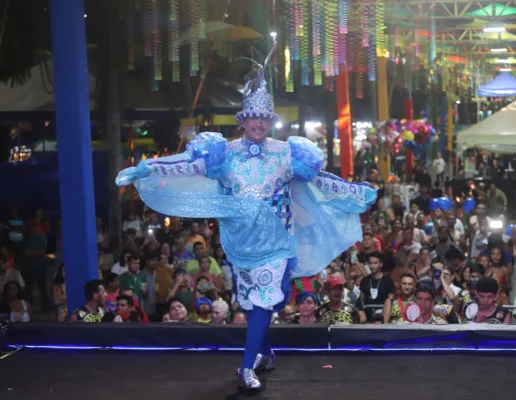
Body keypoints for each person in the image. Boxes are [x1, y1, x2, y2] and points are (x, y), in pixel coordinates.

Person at [115, 41, 375, 390]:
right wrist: (146, 169)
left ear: (270, 121)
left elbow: (321, 181)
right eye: (253, 117)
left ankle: (246, 368)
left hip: (277, 242)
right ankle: (265, 354)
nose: (259, 123)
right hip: (240, 243)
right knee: (254, 306)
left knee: (265, 301)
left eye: (265, 118)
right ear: (243, 120)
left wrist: (357, 192)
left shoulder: (288, 154)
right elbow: (187, 165)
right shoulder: (225, 153)